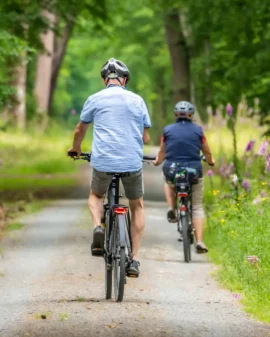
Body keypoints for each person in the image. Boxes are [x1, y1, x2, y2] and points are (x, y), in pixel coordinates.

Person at [67, 58, 151, 276]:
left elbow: (80, 130)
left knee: (96, 195)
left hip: (103, 161)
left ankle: (98, 227)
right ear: (124, 80)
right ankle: (134, 260)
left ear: (105, 80)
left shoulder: (94, 99)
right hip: (132, 162)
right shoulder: (137, 100)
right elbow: (146, 136)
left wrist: (76, 149)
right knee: (137, 205)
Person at [153, 101, 214, 253]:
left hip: (172, 171)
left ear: (175, 114)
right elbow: (206, 151)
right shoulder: (198, 131)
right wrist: (211, 161)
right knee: (197, 207)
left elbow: (162, 152)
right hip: (193, 172)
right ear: (191, 115)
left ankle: (171, 207)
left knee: (168, 181)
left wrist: (157, 161)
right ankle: (199, 241)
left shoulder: (167, 130)